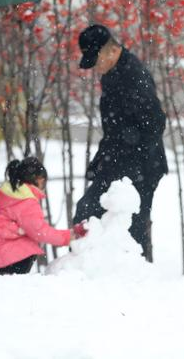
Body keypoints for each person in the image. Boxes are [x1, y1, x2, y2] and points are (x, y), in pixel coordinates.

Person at [73, 24, 168, 262]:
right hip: (118, 158)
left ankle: (135, 277)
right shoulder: (112, 73)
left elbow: (155, 122)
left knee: (131, 225)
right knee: (89, 212)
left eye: (96, 59)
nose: (95, 66)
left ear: (111, 50)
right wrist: (103, 161)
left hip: (141, 166)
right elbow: (115, 129)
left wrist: (131, 145)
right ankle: (88, 266)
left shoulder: (134, 76)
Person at [0, 157, 87, 275]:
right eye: (43, 182)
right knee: (30, 243)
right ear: (39, 180)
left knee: (27, 235)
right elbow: (40, 232)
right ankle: (11, 277)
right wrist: (70, 235)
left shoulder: (8, 193)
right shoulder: (25, 201)